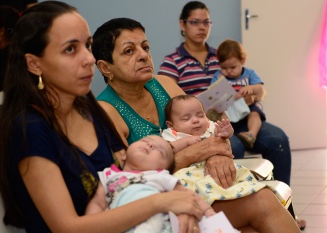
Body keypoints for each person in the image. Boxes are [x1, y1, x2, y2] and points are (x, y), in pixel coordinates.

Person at [0, 2, 205, 233]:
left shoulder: (89, 111)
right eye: (70, 49)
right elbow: (67, 228)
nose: (88, 59)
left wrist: (180, 202)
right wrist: (161, 202)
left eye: (87, 45)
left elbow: (131, 176)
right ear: (35, 64)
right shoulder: (29, 129)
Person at [93, 16, 300, 233]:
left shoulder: (164, 84)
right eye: (129, 51)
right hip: (160, 206)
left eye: (145, 47)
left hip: (200, 188)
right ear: (106, 68)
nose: (144, 55)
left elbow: (205, 126)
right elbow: (131, 178)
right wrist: (199, 152)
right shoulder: (107, 111)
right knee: (264, 201)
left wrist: (216, 153)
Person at [157, 0, 292, 188]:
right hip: (204, 123)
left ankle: (281, 201)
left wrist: (251, 95)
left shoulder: (221, 55)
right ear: (183, 24)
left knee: (278, 139)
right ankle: (235, 197)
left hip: (240, 117)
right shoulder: (173, 62)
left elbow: (259, 89)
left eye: (207, 22)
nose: (202, 27)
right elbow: (165, 96)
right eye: (195, 22)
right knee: (233, 146)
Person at [161, 94, 287, 207]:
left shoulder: (209, 126)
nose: (195, 120)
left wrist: (227, 131)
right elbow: (169, 149)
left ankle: (252, 190)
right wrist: (186, 142)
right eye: (186, 119)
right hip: (191, 172)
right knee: (183, 182)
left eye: (200, 115)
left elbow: (222, 135)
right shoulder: (172, 135)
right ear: (171, 125)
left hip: (218, 169)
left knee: (240, 174)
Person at [86, 135, 216, 233]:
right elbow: (98, 203)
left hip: (158, 222)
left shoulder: (160, 177)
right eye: (144, 141)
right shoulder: (109, 175)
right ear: (124, 155)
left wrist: (208, 210)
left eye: (160, 151)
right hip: (122, 224)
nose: (151, 145)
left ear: (162, 168)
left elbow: (189, 195)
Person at [211, 39, 265, 149]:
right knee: (222, 116)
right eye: (224, 68)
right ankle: (222, 132)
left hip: (247, 106)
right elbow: (213, 93)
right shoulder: (218, 77)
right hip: (229, 108)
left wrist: (251, 88)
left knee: (255, 114)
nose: (229, 71)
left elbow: (260, 89)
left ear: (242, 61)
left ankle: (251, 135)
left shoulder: (249, 73)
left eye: (233, 67)